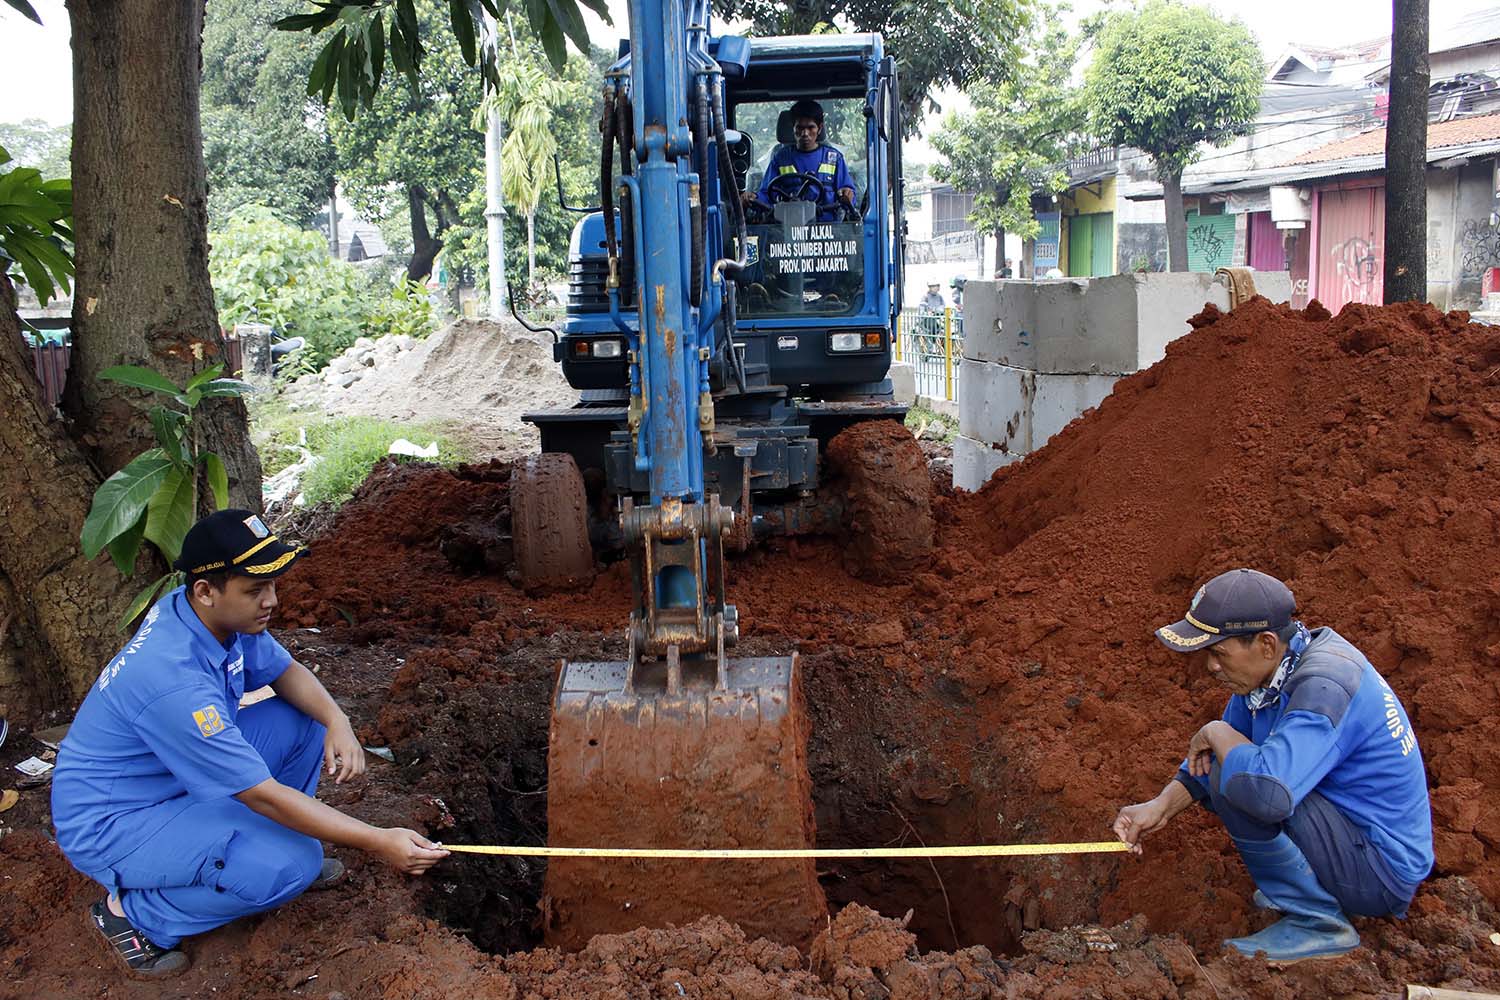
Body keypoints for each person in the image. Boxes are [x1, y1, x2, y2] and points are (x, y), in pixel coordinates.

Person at [52, 510, 449, 979]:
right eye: (255, 590)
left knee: (304, 721)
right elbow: (259, 792)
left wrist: (337, 720)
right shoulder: (171, 678)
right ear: (206, 590)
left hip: (171, 781)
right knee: (293, 865)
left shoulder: (207, 618)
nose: (272, 602)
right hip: (115, 822)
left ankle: (257, 844)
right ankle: (136, 917)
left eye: (273, 586)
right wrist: (378, 840)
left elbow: (285, 673)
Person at [1113, 568, 1432, 963]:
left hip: (1381, 872)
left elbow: (1267, 794)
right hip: (1350, 836)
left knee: (1244, 782)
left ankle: (1319, 923)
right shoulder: (1274, 672)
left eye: (1218, 652)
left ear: (1265, 643)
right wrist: (1161, 805)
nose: (1211, 666)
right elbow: (1221, 747)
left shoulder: (1324, 687)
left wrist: (1215, 731)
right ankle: (1311, 886)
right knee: (1234, 766)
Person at [743, 99, 856, 219]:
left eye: (810, 127)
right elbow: (766, 195)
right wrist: (753, 198)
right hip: (787, 229)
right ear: (793, 128)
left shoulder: (834, 159)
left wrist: (847, 194)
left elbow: (848, 195)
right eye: (800, 128)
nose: (805, 133)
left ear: (820, 128)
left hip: (829, 232)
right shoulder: (781, 159)